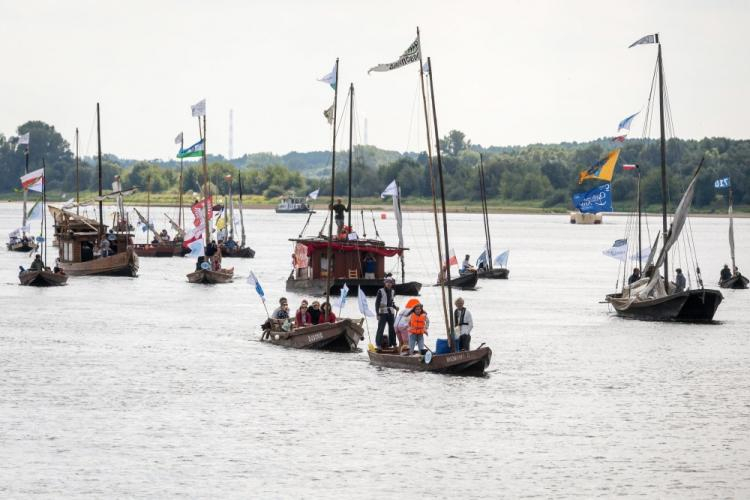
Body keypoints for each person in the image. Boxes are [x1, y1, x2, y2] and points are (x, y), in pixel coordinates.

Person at [375, 277, 398, 348]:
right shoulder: (380, 291)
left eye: (390, 282)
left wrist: (395, 307)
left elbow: (391, 301)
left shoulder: (393, 291)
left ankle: (393, 343)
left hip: (391, 312)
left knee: (392, 328)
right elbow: (377, 303)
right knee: (381, 328)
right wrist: (377, 314)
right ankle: (378, 344)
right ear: (385, 283)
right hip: (382, 312)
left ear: (392, 284)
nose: (389, 284)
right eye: (387, 282)